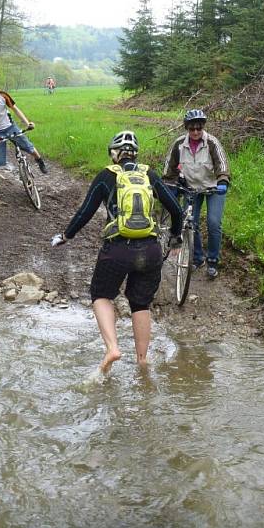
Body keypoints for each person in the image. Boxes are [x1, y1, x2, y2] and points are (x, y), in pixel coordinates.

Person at [51, 130, 183, 374]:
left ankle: (112, 348)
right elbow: (176, 210)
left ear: (114, 154)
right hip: (151, 250)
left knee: (101, 294)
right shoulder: (149, 175)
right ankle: (142, 362)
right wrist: (176, 237)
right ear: (135, 154)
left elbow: (85, 212)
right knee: (141, 303)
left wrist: (66, 236)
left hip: (118, 249)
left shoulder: (106, 176)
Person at [162, 109, 231, 279]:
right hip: (191, 188)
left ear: (203, 128)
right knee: (190, 222)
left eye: (198, 129)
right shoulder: (179, 144)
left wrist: (222, 180)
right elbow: (169, 169)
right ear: (187, 128)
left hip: (213, 187)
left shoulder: (212, 143)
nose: (195, 132)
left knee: (213, 223)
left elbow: (222, 165)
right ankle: (198, 257)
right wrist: (169, 185)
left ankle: (213, 261)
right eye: (192, 129)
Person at [0, 72, 48, 202]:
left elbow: (15, 109)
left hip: (10, 127)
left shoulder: (3, 95)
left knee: (29, 148)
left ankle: (40, 161)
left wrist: (27, 123)